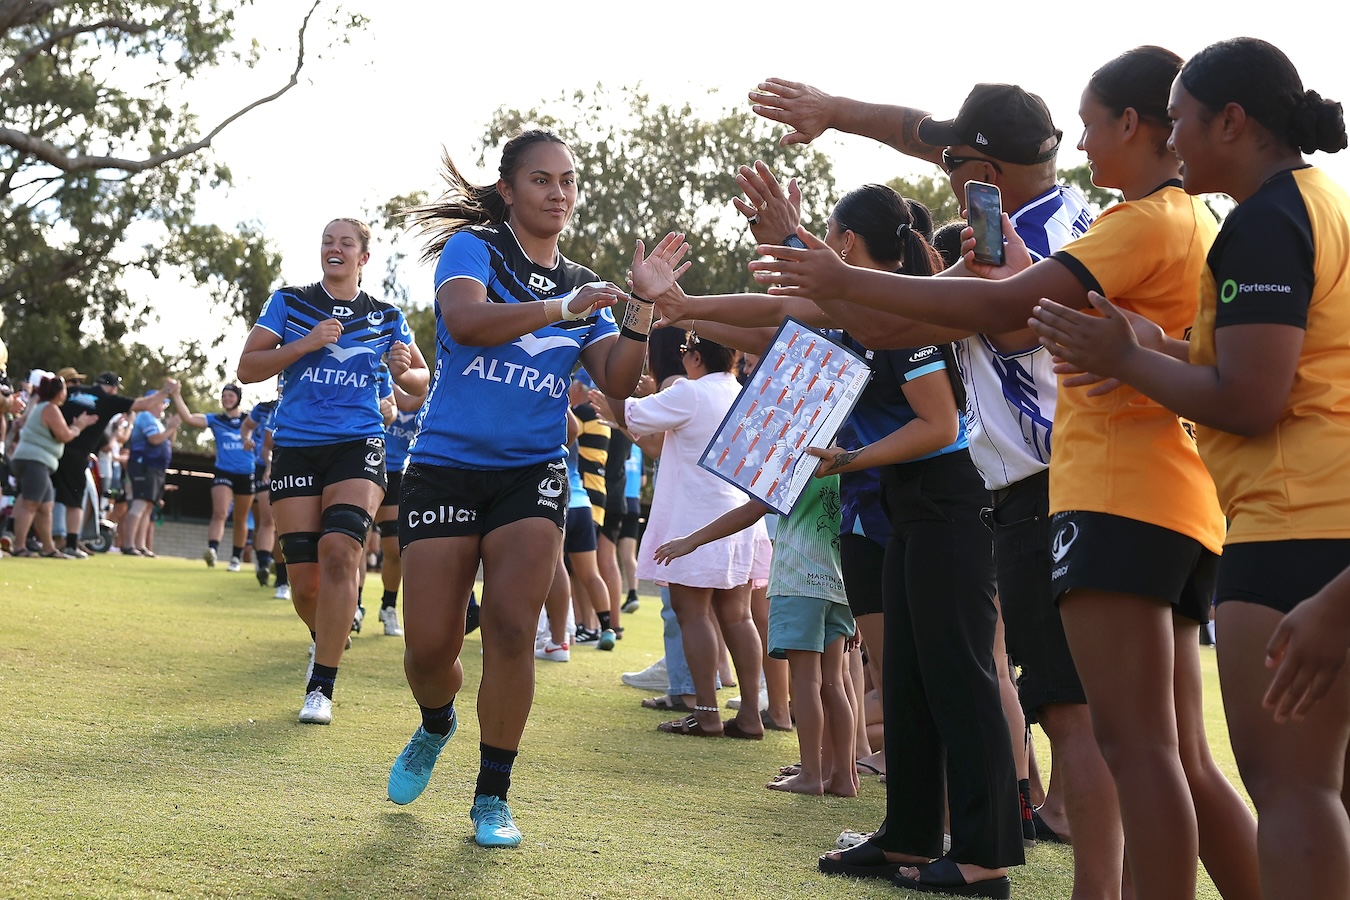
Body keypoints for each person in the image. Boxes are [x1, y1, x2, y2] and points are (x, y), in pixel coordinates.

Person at [750, 47, 1262, 900]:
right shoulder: (1122, 227)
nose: (1085, 147)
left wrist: (832, 264)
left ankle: (1095, 890)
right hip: (1152, 492)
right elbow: (935, 307)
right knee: (1171, 753)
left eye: (1094, 127)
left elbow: (997, 315)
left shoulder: (1106, 229)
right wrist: (832, 163)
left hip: (1091, 492)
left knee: (1100, 733)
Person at [749, 79, 1116, 879]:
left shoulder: (1030, 243)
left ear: (981, 163)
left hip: (1052, 488)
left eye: (954, 161)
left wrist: (814, 253)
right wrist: (836, 113)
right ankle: (912, 831)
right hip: (1018, 490)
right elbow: (916, 140)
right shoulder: (1020, 224)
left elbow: (887, 320)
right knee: (917, 668)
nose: (943, 173)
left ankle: (987, 855)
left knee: (1021, 693)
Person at [1027, 37, 1350, 900]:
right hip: (1301, 515)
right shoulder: (1318, 203)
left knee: (1290, 789)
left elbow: (1251, 399)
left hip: (1291, 527)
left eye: (1180, 123)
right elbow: (1283, 363)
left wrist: (1122, 357)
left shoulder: (1264, 220)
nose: (1172, 141)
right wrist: (1153, 344)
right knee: (1302, 786)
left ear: (1231, 122)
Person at [655, 180, 1021, 894]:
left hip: (950, 503)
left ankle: (984, 857)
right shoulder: (857, 308)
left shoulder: (906, 310)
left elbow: (940, 426)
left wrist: (854, 458)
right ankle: (908, 834)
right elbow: (769, 318)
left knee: (962, 677)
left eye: (825, 235)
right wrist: (683, 306)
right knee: (907, 679)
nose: (817, 246)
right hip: (901, 503)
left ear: (848, 246)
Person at [381, 129, 682, 848]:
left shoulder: (586, 284)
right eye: (542, 180)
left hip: (533, 473)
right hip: (446, 466)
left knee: (515, 628)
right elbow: (465, 321)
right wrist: (563, 309)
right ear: (509, 190)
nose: (559, 193)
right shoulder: (476, 252)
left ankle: (493, 794)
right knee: (429, 648)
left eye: (568, 181)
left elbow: (614, 381)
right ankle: (435, 723)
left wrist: (638, 307)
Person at [237, 216, 429, 726]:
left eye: (346, 243)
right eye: (327, 241)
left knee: (340, 550)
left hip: (359, 442)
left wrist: (402, 368)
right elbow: (247, 368)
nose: (335, 248)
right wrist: (306, 343)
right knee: (306, 584)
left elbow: (419, 383)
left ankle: (321, 684)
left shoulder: (387, 315)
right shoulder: (290, 302)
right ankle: (328, 632)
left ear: (364, 257)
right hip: (297, 444)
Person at [655, 472, 856, 796]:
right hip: (840, 584)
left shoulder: (799, 463)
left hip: (798, 583)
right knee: (834, 682)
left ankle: (810, 774)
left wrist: (692, 540)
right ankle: (844, 777)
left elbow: (753, 509)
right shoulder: (851, 459)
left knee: (806, 681)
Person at [55, 372, 171, 557]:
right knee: (74, 502)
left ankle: (39, 541)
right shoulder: (109, 400)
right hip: (77, 455)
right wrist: (167, 391)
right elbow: (144, 404)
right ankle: (70, 543)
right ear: (114, 388)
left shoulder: (72, 391)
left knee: (47, 498)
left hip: (55, 448)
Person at [8, 375, 98, 557]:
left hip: (36, 463)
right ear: (59, 392)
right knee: (30, 504)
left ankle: (48, 548)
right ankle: (19, 546)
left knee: (45, 507)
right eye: (65, 389)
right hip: (34, 461)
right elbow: (64, 435)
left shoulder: (45, 407)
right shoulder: (50, 409)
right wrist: (79, 426)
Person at [170, 382, 256, 570]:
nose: (227, 399)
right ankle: (212, 551)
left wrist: (253, 445)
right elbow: (189, 418)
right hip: (223, 471)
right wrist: (176, 394)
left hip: (246, 473)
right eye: (224, 396)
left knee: (241, 518)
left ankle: (235, 559)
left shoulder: (250, 419)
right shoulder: (216, 419)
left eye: (231, 396)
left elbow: (266, 441)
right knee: (220, 513)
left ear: (238, 398)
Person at [372, 372, 423, 637]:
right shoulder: (378, 377)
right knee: (353, 543)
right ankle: (354, 605)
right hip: (361, 465)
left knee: (394, 549)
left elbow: (410, 403)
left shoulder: (424, 395)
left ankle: (388, 606)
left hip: (393, 474)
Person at [121, 392, 180, 556]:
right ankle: (128, 544)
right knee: (139, 503)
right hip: (143, 465)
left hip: (155, 469)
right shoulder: (145, 416)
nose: (163, 407)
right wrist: (171, 428)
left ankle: (140, 545)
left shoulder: (157, 422)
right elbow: (155, 439)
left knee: (147, 507)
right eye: (162, 403)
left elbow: (167, 441)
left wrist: (171, 428)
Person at [240, 398, 279, 587]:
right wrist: (246, 440)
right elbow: (248, 429)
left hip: (298, 467)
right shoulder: (265, 409)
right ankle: (264, 564)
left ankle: (282, 574)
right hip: (264, 468)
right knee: (266, 520)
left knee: (284, 525)